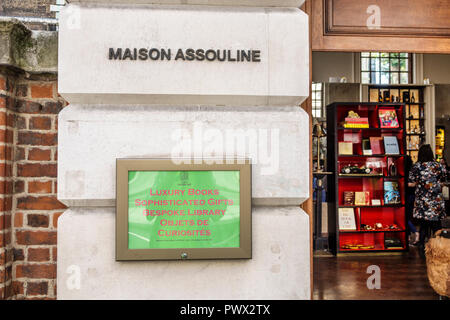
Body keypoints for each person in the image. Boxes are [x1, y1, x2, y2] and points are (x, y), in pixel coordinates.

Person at [408, 144, 447, 258]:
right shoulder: (438, 165)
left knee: (424, 224)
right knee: (436, 225)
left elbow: (410, 183)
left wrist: (420, 183)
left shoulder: (417, 166)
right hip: (436, 200)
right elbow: (443, 180)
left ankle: (421, 247)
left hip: (423, 200)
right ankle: (440, 247)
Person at [404, 155, 419, 245]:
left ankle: (414, 232)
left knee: (404, 216)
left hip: (405, 195)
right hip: (412, 195)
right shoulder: (413, 170)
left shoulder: (404, 171)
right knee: (408, 216)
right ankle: (408, 236)